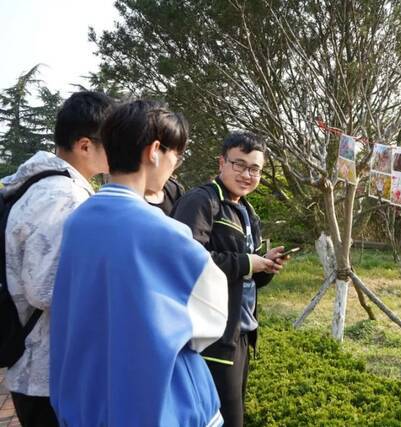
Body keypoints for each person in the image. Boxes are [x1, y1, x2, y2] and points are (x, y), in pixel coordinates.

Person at [49, 100, 229, 426]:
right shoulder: (167, 234)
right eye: (176, 155)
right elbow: (211, 320)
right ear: (155, 151)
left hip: (87, 398)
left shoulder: (77, 222)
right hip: (158, 402)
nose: (175, 165)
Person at [1, 91, 114, 427]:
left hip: (41, 367)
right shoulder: (61, 196)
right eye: (113, 141)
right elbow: (44, 287)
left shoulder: (38, 183)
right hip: (46, 373)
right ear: (84, 145)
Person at [172, 131, 289, 427]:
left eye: (255, 169)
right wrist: (248, 262)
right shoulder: (201, 201)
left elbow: (244, 281)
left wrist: (264, 268)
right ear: (221, 162)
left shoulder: (248, 212)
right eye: (239, 165)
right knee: (222, 420)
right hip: (211, 337)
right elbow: (185, 261)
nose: (247, 175)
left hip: (241, 333)